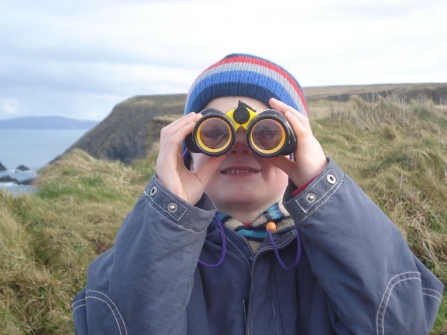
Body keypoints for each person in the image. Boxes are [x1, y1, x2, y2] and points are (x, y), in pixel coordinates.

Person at [72, 54, 443, 335]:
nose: (239, 146)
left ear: (296, 147)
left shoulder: (333, 251)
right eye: (214, 133)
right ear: (187, 147)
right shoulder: (154, 247)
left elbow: (399, 322)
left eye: (265, 134)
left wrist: (320, 186)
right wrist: (168, 215)